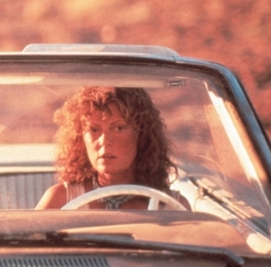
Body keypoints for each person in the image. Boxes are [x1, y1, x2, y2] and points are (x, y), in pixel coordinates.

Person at [35, 86, 189, 210]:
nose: (104, 141)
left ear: (142, 136)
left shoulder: (173, 206)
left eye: (119, 128)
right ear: (81, 139)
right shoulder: (60, 200)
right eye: (93, 130)